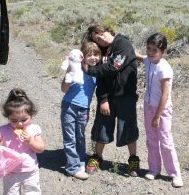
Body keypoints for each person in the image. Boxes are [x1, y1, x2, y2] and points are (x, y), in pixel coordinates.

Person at [82, 22, 140, 177]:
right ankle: (97, 156)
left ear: (108, 30)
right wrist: (102, 99)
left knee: (129, 128)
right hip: (109, 97)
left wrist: (91, 70)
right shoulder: (102, 51)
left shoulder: (122, 43)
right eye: (97, 39)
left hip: (126, 96)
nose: (101, 39)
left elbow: (115, 66)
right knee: (102, 126)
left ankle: (133, 160)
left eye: (101, 34)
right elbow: (102, 77)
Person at [0, 88, 45, 195]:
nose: (19, 124)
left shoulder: (33, 129)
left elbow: (41, 148)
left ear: (31, 115)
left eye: (24, 119)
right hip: (11, 172)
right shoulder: (3, 130)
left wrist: (30, 141)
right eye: (14, 120)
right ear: (8, 117)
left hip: (30, 171)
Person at [136, 33, 184, 188]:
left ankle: (175, 174)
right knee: (151, 139)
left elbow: (165, 95)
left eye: (154, 50)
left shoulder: (164, 68)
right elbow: (139, 57)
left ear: (163, 51)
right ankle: (154, 168)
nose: (150, 52)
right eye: (148, 48)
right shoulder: (149, 61)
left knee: (165, 141)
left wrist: (157, 116)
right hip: (149, 106)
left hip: (161, 110)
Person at [60, 41, 101, 180]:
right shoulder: (75, 67)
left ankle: (80, 161)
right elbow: (64, 89)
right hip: (69, 105)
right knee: (70, 137)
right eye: (90, 55)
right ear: (83, 56)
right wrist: (69, 74)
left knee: (80, 136)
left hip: (84, 109)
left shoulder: (97, 71)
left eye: (96, 55)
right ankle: (73, 168)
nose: (94, 58)